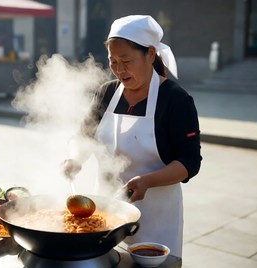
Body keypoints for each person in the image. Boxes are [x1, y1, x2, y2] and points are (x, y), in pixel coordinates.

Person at [62, 15, 202, 258]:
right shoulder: (107, 92)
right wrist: (75, 158)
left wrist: (147, 181)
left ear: (150, 54)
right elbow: (85, 135)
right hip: (104, 214)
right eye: (113, 61)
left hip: (156, 218)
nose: (119, 70)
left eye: (126, 60)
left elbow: (189, 162)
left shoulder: (176, 100)